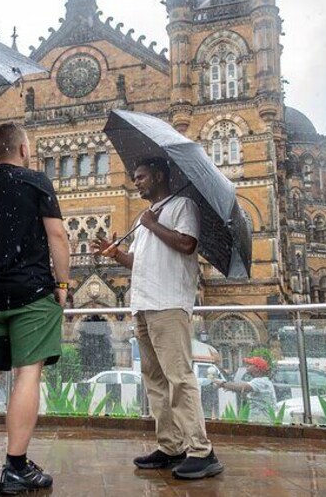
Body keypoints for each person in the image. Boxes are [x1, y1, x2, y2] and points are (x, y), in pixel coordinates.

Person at [92, 157, 223, 480]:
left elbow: (187, 243)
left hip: (169, 303)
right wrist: (115, 252)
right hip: (143, 305)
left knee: (179, 378)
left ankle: (201, 451)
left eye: (141, 176)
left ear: (160, 176)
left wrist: (153, 224)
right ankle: (170, 445)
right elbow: (140, 261)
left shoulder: (182, 206)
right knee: (155, 381)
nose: (136, 182)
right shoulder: (145, 217)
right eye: (135, 178)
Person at [0, 121, 70, 495]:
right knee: (27, 375)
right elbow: (57, 234)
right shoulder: (36, 182)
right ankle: (16, 466)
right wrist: (62, 284)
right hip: (31, 294)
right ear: (23, 149)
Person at [213, 356, 277, 422]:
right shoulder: (262, 381)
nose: (247, 366)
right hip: (259, 419)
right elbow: (243, 390)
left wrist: (222, 384)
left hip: (263, 420)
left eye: (250, 364)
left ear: (257, 368)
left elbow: (242, 387)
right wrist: (232, 388)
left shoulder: (261, 381)